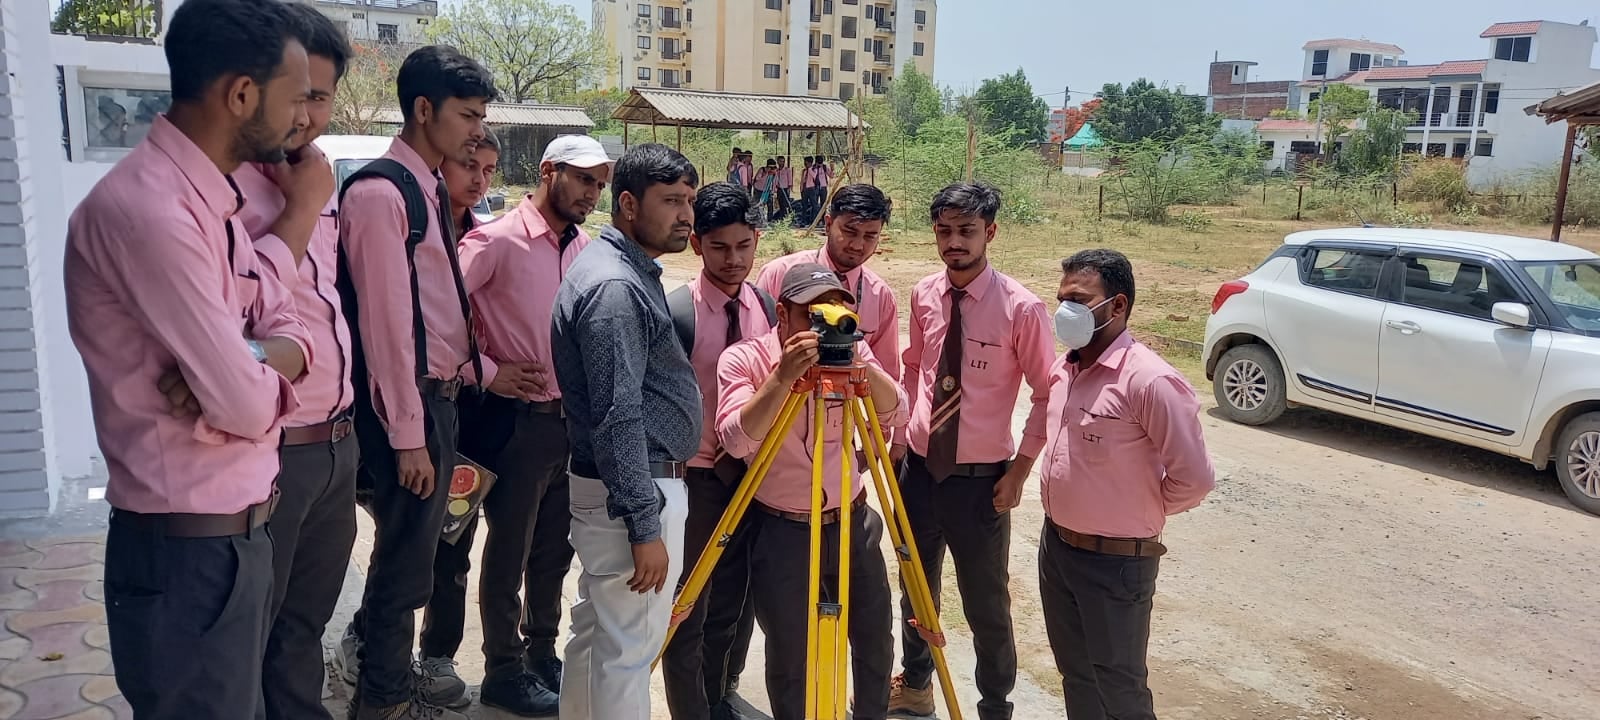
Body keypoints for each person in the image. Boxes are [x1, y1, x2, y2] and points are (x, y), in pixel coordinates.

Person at [63, 0, 312, 716]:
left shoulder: (213, 202)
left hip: (235, 541)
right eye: (294, 98)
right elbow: (243, 402)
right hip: (187, 558)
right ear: (241, 95)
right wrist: (254, 372)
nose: (303, 119)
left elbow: (289, 325)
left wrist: (255, 354)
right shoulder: (150, 214)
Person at [338, 45, 517, 720]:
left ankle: (387, 692)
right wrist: (410, 438)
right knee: (401, 573)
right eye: (467, 115)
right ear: (423, 110)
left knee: (415, 567)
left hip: (437, 403)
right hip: (405, 412)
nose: (476, 130)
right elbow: (386, 332)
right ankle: (381, 701)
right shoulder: (384, 194)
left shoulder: (425, 188)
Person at [450, 135, 615, 716]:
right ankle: (501, 669)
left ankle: (541, 653)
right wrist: (485, 370)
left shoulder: (584, 249)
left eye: (600, 183)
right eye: (583, 180)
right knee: (509, 551)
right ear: (550, 172)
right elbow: (437, 309)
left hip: (567, 423)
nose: (593, 193)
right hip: (512, 423)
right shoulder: (495, 241)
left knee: (553, 551)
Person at [887, 184, 1055, 720]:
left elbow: (1048, 392)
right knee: (915, 588)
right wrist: (903, 433)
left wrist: (1020, 472)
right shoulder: (923, 294)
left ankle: (994, 706)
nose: (954, 242)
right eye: (944, 231)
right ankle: (916, 685)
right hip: (918, 471)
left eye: (967, 231)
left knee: (986, 603)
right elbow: (915, 365)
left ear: (991, 232)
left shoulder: (1021, 309)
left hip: (981, 482)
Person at [715, 263, 907, 720]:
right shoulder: (745, 359)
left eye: (837, 313)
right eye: (813, 315)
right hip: (783, 528)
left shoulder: (850, 354)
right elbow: (736, 439)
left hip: (850, 520)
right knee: (789, 653)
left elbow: (896, 410)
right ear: (782, 313)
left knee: (875, 639)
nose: (826, 326)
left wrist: (859, 365)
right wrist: (782, 378)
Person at [550, 143, 702, 720]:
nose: (685, 214)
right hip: (637, 494)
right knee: (628, 653)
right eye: (671, 201)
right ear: (630, 205)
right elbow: (619, 414)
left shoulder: (616, 271)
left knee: (598, 636)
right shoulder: (615, 287)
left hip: (621, 490)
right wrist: (644, 524)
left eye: (689, 200)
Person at [230, 6, 351, 719]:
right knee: (249, 634)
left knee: (305, 629)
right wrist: (301, 210)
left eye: (322, 95)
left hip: (335, 444)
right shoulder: (228, 192)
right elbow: (232, 331)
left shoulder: (317, 182)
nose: (307, 113)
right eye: (297, 91)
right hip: (269, 452)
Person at [1038, 249, 1216, 720]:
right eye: (1062, 299)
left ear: (1117, 306)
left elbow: (1194, 479)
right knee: (1076, 674)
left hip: (1116, 563)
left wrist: (1134, 511)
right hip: (1057, 547)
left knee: (1119, 686)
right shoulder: (1065, 368)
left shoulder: (1151, 381)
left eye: (1079, 300)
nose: (1066, 311)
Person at [661, 182, 774, 720]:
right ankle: (690, 709)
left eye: (744, 246)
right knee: (689, 606)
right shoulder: (677, 312)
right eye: (720, 248)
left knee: (736, 598)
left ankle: (718, 693)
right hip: (698, 480)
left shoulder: (770, 308)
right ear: (698, 244)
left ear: (756, 241)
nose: (733, 260)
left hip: (753, 477)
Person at [410, 124, 504, 707]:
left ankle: (437, 653)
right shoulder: (415, 233)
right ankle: (372, 644)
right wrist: (487, 371)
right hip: (424, 406)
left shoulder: (482, 236)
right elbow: (420, 333)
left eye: (490, 170)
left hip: (476, 415)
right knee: (419, 539)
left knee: (456, 535)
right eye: (469, 164)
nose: (479, 179)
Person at [755, 183, 900, 382]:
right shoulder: (778, 275)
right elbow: (756, 353)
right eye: (850, 232)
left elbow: (887, 377)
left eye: (870, 236)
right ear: (828, 223)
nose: (858, 245)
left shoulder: (881, 296)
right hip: (785, 404)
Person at [772, 156, 793, 221]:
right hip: (779, 189)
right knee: (780, 204)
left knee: (785, 204)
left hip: (785, 189)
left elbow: (790, 180)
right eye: (781, 161)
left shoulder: (787, 170)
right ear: (778, 162)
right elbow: (775, 180)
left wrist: (789, 189)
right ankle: (781, 217)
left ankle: (786, 218)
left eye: (783, 161)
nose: (782, 163)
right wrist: (774, 189)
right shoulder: (777, 171)